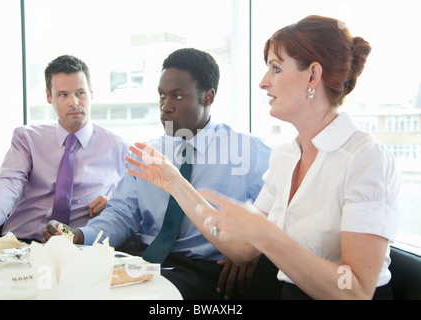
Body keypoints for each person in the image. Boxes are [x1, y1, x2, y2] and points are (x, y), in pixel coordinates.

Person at [124, 16, 401, 300]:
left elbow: (355, 289)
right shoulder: (285, 156)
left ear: (312, 76)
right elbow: (241, 249)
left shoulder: (366, 157)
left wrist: (267, 236)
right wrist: (176, 184)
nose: (263, 82)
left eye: (276, 69)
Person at [43, 48, 272, 300]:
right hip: (145, 263)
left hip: (205, 270)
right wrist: (77, 235)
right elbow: (121, 214)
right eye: (161, 96)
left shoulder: (247, 152)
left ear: (208, 97)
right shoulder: (148, 152)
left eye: (177, 96)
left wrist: (255, 250)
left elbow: (280, 213)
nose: (165, 107)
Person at [0, 55, 129, 244]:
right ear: (49, 97)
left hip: (80, 247)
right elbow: (8, 183)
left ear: (91, 93)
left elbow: (131, 205)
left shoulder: (118, 147)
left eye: (80, 93)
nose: (74, 102)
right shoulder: (27, 139)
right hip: (21, 243)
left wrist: (112, 203)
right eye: (63, 94)